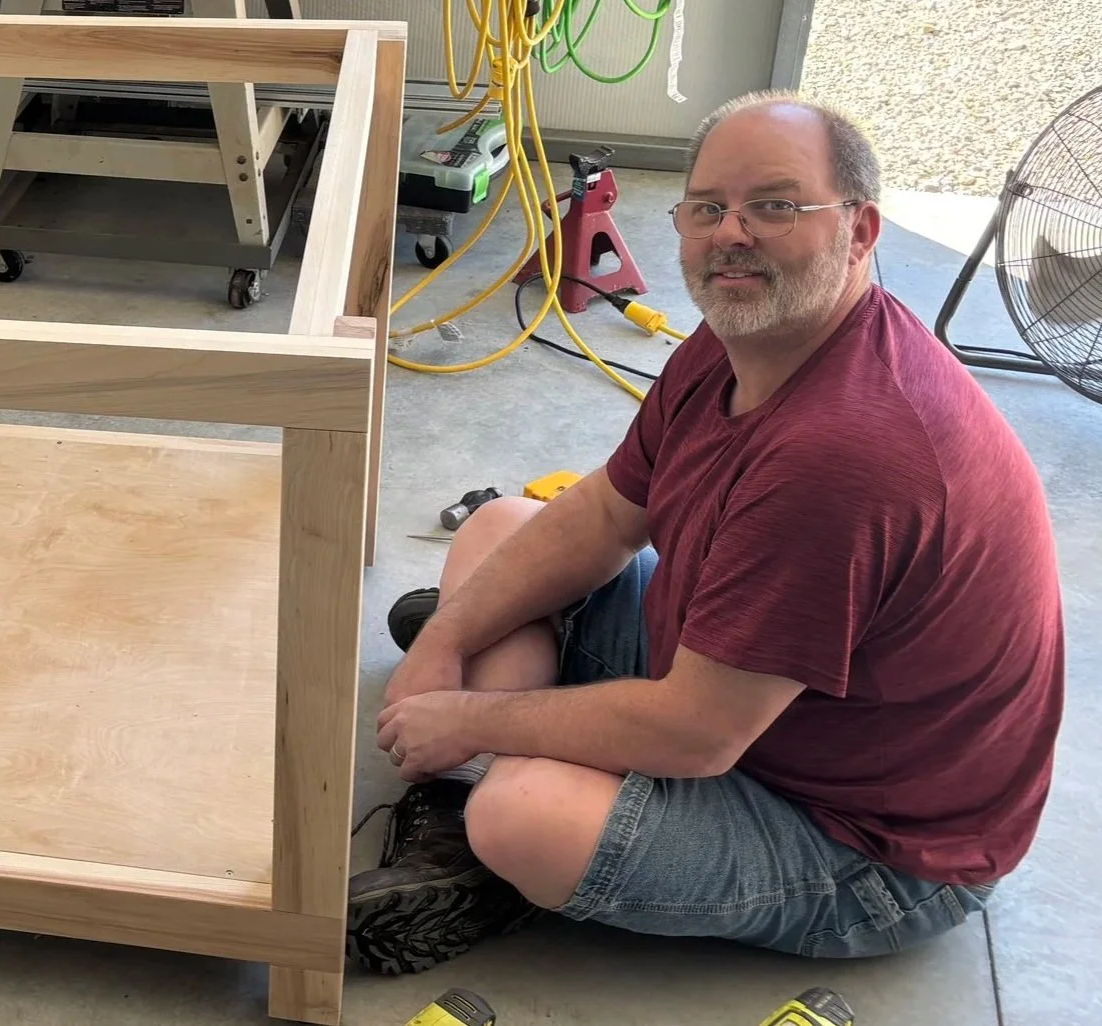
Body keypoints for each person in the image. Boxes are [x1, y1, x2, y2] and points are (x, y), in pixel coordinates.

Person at [345, 90, 1065, 976]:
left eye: (774, 205)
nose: (731, 233)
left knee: (520, 811)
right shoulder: (743, 337)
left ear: (860, 228)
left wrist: (462, 716)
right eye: (707, 207)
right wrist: (450, 638)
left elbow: (697, 734)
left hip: (869, 845)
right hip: (762, 697)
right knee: (503, 526)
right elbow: (610, 511)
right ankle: (483, 774)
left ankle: (478, 839)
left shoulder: (846, 457)